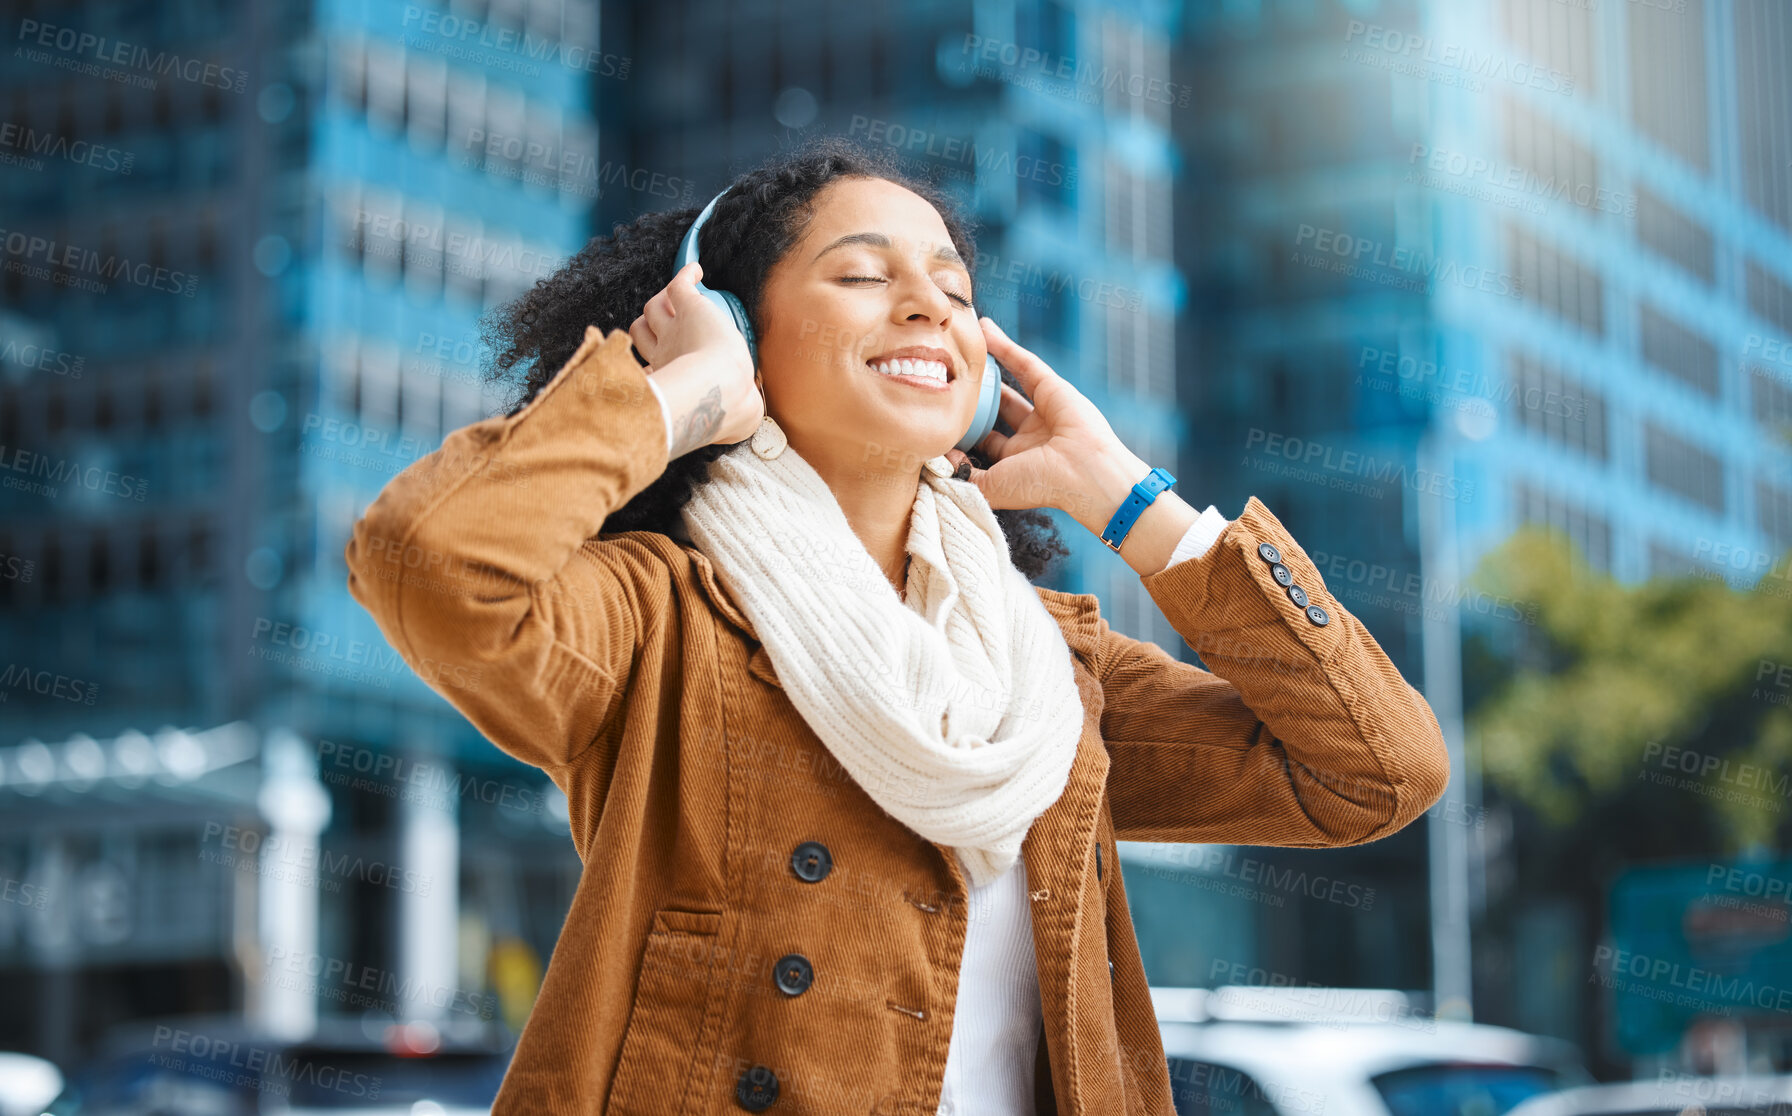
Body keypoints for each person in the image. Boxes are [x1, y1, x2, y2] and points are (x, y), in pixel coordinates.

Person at [345, 136, 1451, 1116]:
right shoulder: (657, 623)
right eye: (863, 276)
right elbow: (429, 562)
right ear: (737, 330)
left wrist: (1124, 495)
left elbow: (1376, 771)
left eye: (953, 289)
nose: (927, 307)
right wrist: (668, 396)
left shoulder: (1048, 676)